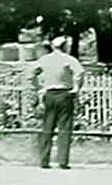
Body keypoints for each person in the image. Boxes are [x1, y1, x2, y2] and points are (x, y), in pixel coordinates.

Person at [33, 35, 84, 169]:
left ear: (53, 46)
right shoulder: (69, 59)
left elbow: (32, 73)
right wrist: (76, 88)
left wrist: (39, 88)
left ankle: (44, 161)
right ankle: (63, 161)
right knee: (64, 128)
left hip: (49, 94)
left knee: (47, 128)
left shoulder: (45, 60)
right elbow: (80, 73)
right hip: (64, 94)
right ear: (65, 46)